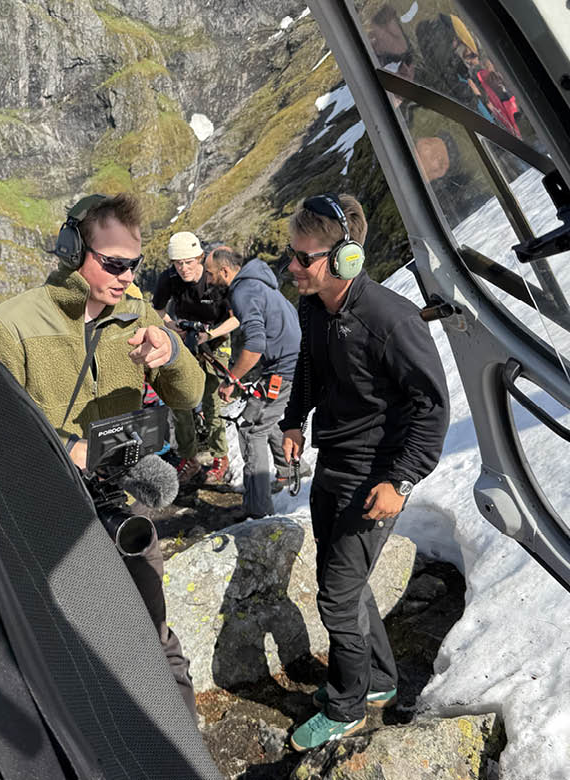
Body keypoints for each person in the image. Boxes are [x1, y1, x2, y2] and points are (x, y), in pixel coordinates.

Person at [0, 192, 204, 718]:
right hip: (48, 519)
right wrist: (64, 448)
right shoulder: (10, 326)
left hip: (124, 510)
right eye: (114, 264)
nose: (126, 277)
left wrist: (170, 357)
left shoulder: (139, 315)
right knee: (73, 655)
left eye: (135, 265)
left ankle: (183, 749)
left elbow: (190, 395)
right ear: (72, 248)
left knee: (157, 643)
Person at [278, 194, 449, 751]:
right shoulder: (313, 308)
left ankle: (347, 704)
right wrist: (294, 418)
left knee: (335, 595)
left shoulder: (390, 320)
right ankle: (376, 681)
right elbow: (310, 365)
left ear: (345, 257)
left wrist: (400, 482)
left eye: (305, 259)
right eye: (292, 255)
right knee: (347, 584)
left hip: (373, 479)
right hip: (332, 461)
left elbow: (431, 407)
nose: (293, 268)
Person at [203, 247, 299, 519]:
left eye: (210, 275)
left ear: (224, 271)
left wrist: (231, 379)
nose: (208, 281)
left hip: (283, 370)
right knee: (259, 417)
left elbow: (256, 343)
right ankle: (290, 469)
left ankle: (258, 511)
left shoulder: (243, 291)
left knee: (250, 428)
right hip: (289, 366)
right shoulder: (260, 284)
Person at [153, 231, 240, 484]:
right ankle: (189, 457)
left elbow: (236, 318)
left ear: (200, 258)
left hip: (217, 338)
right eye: (178, 263)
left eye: (189, 262)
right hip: (185, 337)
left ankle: (220, 457)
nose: (183, 268)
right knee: (180, 399)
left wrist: (209, 334)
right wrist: (171, 326)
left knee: (211, 399)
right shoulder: (169, 279)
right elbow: (157, 308)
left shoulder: (215, 279)